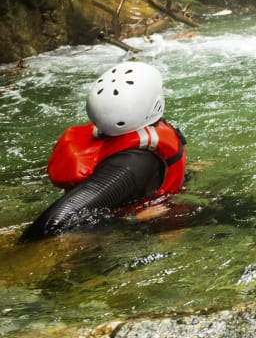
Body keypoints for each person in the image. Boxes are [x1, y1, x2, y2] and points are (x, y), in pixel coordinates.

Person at [21, 62, 188, 241]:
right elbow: (53, 225)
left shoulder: (130, 138)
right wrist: (132, 219)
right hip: (126, 235)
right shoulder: (132, 165)